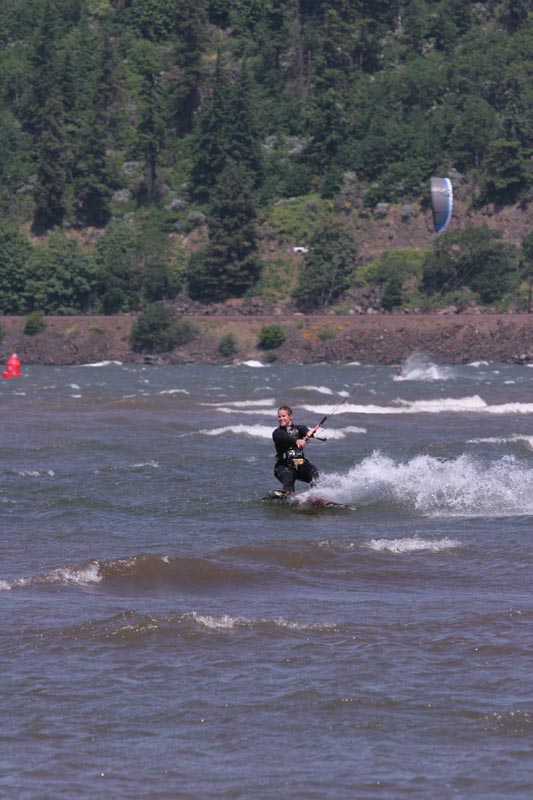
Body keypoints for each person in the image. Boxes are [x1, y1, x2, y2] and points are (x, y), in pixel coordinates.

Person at [272, 405, 319, 492]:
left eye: (283, 416)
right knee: (289, 476)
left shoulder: (299, 428)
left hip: (299, 463)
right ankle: (288, 497)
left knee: (314, 472)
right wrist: (296, 441)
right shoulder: (277, 433)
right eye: (279, 416)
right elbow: (283, 438)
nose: (281, 418)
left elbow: (304, 430)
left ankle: (315, 495)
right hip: (283, 465)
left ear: (290, 416)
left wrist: (309, 433)